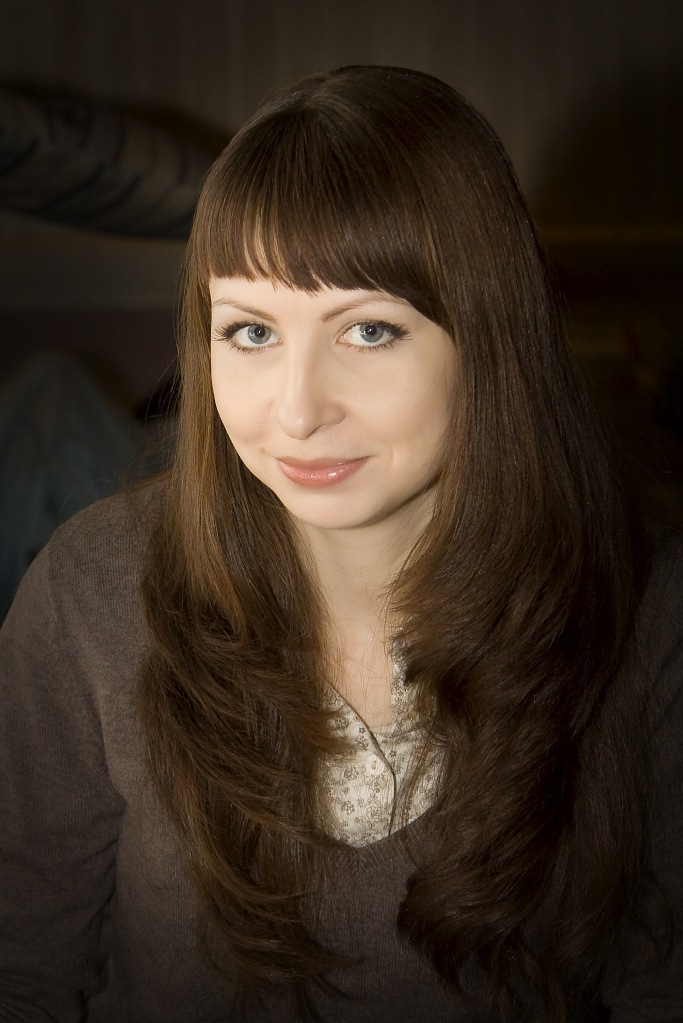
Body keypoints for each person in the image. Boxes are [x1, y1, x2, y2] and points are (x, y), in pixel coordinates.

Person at [1, 65, 681, 1023]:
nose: (297, 410)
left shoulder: (647, 612)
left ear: (488, 338)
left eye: (367, 329)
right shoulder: (91, 593)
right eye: (250, 332)